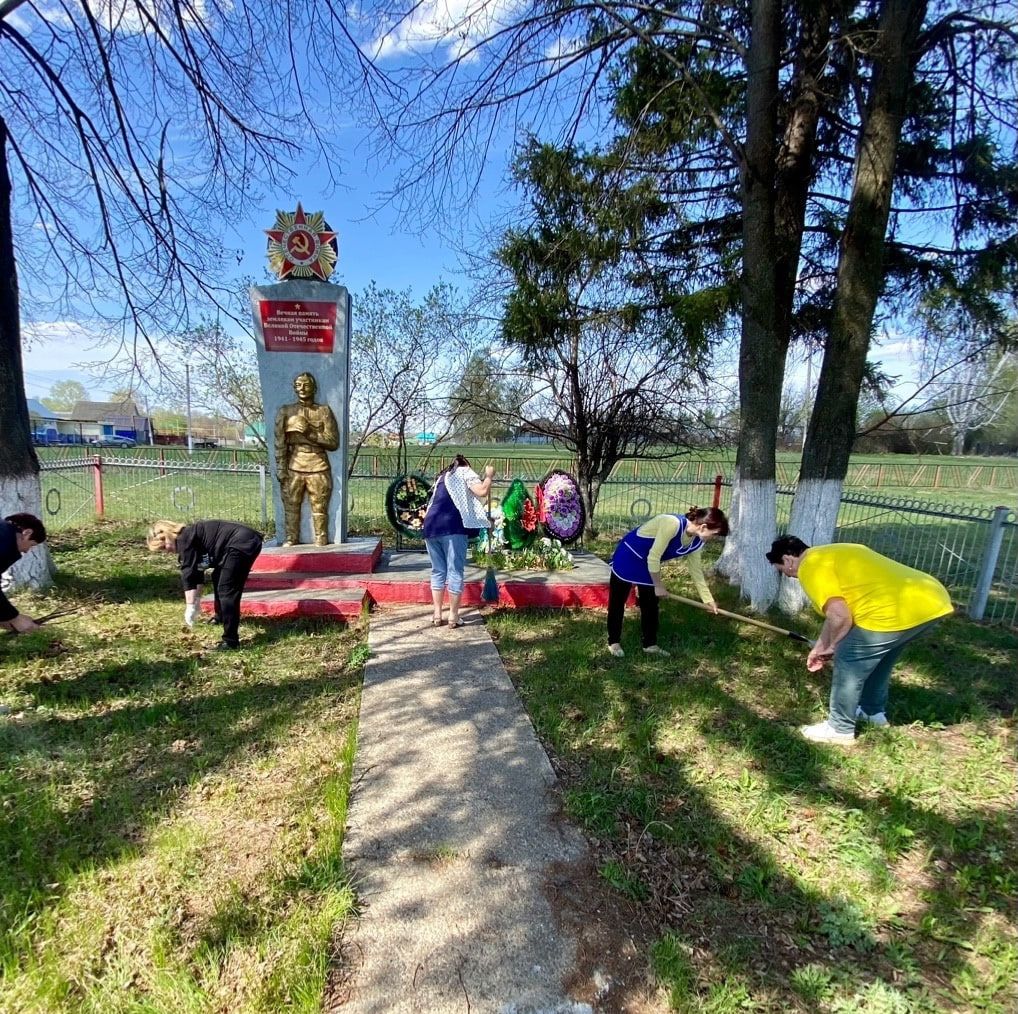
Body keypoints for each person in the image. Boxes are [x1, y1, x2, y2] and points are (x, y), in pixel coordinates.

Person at [766, 535, 953, 745]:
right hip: (930, 600)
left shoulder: (810, 567)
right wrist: (820, 647)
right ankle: (872, 713)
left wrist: (836, 647)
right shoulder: (830, 553)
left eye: (785, 572)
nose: (791, 577)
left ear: (789, 559)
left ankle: (839, 728)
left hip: (894, 610)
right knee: (879, 658)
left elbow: (840, 616)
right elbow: (834, 615)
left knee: (848, 657)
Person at [607, 507, 730, 658]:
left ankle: (650, 645)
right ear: (703, 527)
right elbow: (654, 557)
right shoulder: (672, 524)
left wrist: (708, 600)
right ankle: (613, 642)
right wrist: (658, 586)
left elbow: (696, 572)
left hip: (649, 562)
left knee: (651, 604)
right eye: (715, 534)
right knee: (618, 601)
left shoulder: (697, 542)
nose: (714, 538)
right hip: (630, 554)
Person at [147, 519, 263, 650]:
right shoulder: (188, 539)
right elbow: (197, 574)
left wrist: (190, 606)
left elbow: (188, 575)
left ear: (167, 536)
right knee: (217, 576)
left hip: (242, 542)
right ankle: (221, 617)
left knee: (227, 590)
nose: (166, 552)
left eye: (163, 547)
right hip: (242, 541)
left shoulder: (184, 540)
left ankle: (231, 641)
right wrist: (196, 601)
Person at [423, 455, 495, 629]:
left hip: (431, 526)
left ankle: (437, 614)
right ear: (466, 465)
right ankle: (453, 617)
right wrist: (489, 475)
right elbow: (482, 491)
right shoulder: (465, 472)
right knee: (455, 570)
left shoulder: (442, 477)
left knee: (438, 570)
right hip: (452, 526)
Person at [274, 371, 339, 547]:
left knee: (319, 506)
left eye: (306, 385)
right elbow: (279, 443)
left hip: (318, 464)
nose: (302, 389)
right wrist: (281, 468)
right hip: (294, 465)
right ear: (294, 388)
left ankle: (321, 537)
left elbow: (333, 443)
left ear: (314, 388)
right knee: (291, 505)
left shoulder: (324, 411)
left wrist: (310, 433)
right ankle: (291, 537)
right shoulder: (286, 411)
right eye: (298, 385)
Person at [0, 513, 47, 634]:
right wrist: (14, 618)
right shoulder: (5, 546)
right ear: (27, 533)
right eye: (31, 545)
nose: (26, 551)